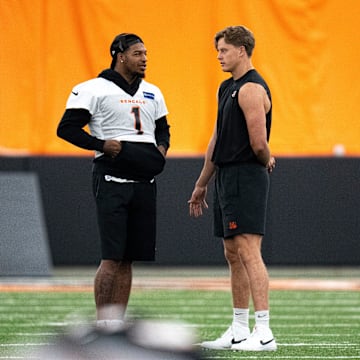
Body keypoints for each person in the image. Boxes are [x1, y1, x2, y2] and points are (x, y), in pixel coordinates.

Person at [57, 33, 170, 331]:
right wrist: (101, 144)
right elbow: (66, 128)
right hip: (111, 178)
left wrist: (160, 152)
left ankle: (117, 326)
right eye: (137, 53)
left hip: (144, 180)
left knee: (129, 258)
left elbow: (163, 129)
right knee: (111, 257)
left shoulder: (153, 91)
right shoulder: (93, 89)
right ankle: (102, 325)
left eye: (146, 53)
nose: (144, 58)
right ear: (119, 55)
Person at [188, 26, 276, 351]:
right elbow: (216, 140)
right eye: (218, 51)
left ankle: (263, 332)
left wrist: (267, 159)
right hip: (226, 175)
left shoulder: (251, 89)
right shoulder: (226, 88)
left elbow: (259, 143)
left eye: (224, 50)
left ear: (242, 50)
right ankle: (239, 328)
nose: (219, 56)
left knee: (249, 252)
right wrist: (201, 183)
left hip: (245, 175)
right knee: (233, 254)